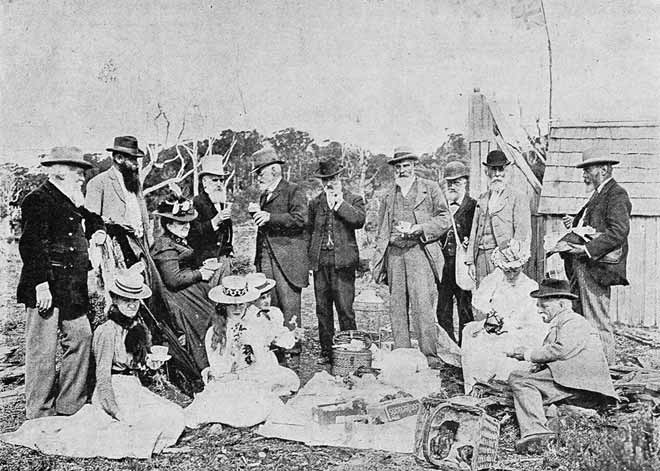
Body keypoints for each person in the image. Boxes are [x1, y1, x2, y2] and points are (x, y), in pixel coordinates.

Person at [2, 268, 185, 459]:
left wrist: (149, 365)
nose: (132, 305)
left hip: (133, 388)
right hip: (115, 391)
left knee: (174, 415)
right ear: (115, 299)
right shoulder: (106, 332)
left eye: (136, 300)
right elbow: (103, 378)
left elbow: (136, 367)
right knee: (137, 428)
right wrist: (116, 412)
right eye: (126, 299)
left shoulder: (135, 328)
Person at [16, 146, 106, 419]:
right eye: (78, 173)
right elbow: (31, 246)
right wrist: (41, 284)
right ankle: (39, 413)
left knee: (82, 337)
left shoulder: (70, 199)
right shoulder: (38, 199)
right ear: (60, 172)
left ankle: (70, 405)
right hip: (47, 287)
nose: (82, 178)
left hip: (71, 288)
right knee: (43, 352)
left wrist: (98, 230)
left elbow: (92, 218)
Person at [507, 278, 617, 454]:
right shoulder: (563, 323)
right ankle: (554, 422)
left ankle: (537, 432)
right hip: (572, 381)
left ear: (562, 305)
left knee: (519, 380)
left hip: (582, 384)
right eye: (538, 305)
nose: (538, 310)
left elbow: (562, 350)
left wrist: (528, 354)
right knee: (522, 380)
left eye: (544, 306)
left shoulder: (574, 322)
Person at [371, 146, 451, 367]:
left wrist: (420, 228)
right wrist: (379, 262)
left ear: (414, 165)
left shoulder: (430, 188)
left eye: (406, 165)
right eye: (398, 166)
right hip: (395, 254)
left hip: (419, 252)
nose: (402, 170)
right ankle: (403, 356)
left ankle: (430, 356)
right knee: (397, 306)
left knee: (422, 305)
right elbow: (381, 230)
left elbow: (445, 218)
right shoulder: (389, 195)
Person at [184, 276, 298, 429]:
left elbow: (260, 361)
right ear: (224, 306)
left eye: (241, 305)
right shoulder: (216, 332)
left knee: (277, 388)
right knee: (233, 403)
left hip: (250, 377)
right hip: (227, 380)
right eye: (232, 305)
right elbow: (219, 368)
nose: (237, 309)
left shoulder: (253, 326)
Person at [560, 147, 632, 364]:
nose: (584, 175)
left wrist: (586, 250)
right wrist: (574, 224)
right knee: (582, 319)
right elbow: (594, 227)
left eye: (587, 170)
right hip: (582, 267)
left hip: (596, 268)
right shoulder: (599, 194)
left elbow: (618, 231)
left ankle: (606, 373)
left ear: (603, 169)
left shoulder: (617, 194)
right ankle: (587, 369)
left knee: (597, 323)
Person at [460, 241, 547, 394]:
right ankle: (475, 386)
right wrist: (491, 313)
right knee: (470, 334)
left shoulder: (531, 286)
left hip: (520, 329)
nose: (512, 274)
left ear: (522, 266)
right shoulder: (495, 280)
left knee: (510, 345)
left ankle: (503, 387)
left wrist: (512, 325)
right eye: (507, 271)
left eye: (515, 270)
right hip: (496, 326)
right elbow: (479, 300)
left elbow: (534, 319)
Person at [251, 147, 309, 365]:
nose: (258, 176)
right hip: (267, 259)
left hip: (288, 262)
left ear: (274, 170)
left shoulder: (294, 191)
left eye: (260, 171)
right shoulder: (264, 194)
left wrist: (269, 217)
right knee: (269, 305)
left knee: (289, 307)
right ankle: (275, 354)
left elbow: (301, 219)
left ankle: (293, 356)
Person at [151, 196, 221, 373]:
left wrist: (200, 269)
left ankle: (217, 362)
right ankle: (205, 368)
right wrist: (200, 274)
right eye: (181, 223)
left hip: (187, 290)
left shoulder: (175, 239)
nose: (187, 227)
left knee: (214, 316)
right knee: (204, 322)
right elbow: (172, 280)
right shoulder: (165, 246)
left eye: (189, 223)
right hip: (176, 297)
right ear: (168, 225)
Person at [308, 158, 366, 365]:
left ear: (339, 177)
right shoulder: (315, 203)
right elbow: (309, 231)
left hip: (344, 263)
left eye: (332, 178)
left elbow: (359, 221)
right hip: (321, 262)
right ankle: (327, 351)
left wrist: (340, 204)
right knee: (323, 309)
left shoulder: (353, 198)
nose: (329, 183)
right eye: (325, 180)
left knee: (345, 308)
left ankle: (350, 351)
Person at [466, 150, 531, 287]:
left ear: (506, 170)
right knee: (483, 298)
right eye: (493, 169)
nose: (497, 174)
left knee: (503, 298)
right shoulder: (482, 198)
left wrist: (513, 260)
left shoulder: (517, 197)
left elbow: (521, 231)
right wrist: (471, 261)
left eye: (500, 169)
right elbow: (474, 230)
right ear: (487, 172)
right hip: (481, 258)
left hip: (504, 257)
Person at [436, 161, 476, 344]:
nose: (452, 186)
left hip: (463, 265)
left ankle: (465, 349)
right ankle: (449, 349)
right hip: (443, 264)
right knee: (442, 309)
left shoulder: (474, 206)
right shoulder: (440, 206)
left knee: (464, 308)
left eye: (457, 182)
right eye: (449, 182)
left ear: (465, 182)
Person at [187, 155, 234, 275]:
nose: (219, 184)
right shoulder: (197, 202)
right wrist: (214, 222)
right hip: (206, 261)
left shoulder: (222, 201)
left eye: (221, 180)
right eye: (215, 180)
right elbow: (193, 233)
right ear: (204, 182)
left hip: (224, 258)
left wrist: (230, 250)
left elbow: (227, 231)